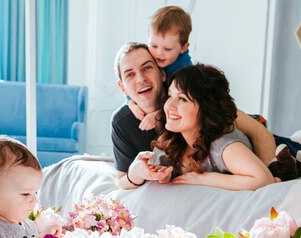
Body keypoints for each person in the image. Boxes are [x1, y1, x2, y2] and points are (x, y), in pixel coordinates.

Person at [111, 42, 277, 190]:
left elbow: (258, 135)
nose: (140, 79)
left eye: (147, 67)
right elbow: (124, 180)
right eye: (130, 74)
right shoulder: (161, 133)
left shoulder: (217, 129)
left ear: (162, 73)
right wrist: (150, 173)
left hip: (265, 142)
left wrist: (272, 169)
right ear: (122, 87)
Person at [149, 64, 273, 191]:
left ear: (205, 108)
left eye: (182, 99)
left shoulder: (223, 145)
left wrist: (204, 178)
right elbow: (134, 180)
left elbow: (265, 180)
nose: (169, 105)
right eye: (170, 96)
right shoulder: (171, 140)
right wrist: (161, 175)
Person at [129, 6, 194, 130]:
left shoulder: (184, 71)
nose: (159, 53)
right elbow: (129, 83)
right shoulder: (149, 55)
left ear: (184, 47)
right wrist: (131, 104)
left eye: (167, 49)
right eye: (154, 45)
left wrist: (157, 115)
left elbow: (185, 105)